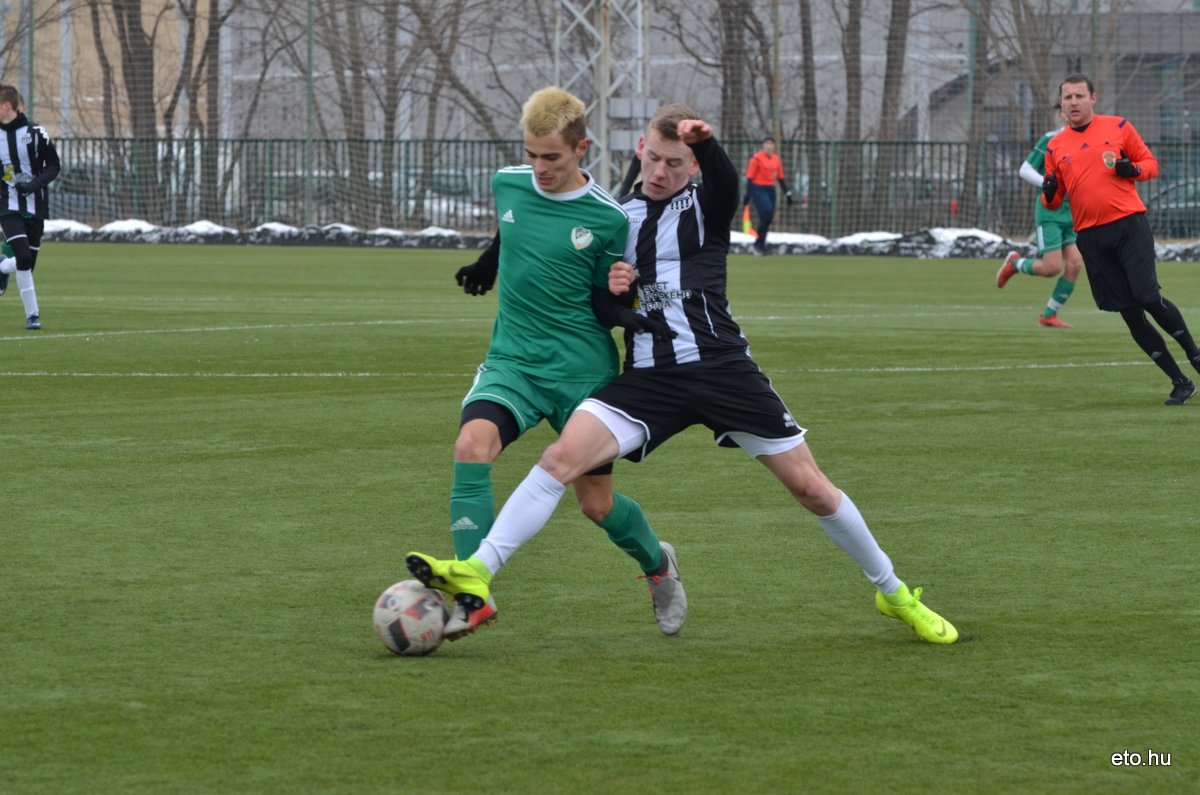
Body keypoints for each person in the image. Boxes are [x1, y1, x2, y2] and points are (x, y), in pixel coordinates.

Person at [409, 104, 959, 645]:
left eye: (675, 163)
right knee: (559, 460)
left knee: (811, 489)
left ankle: (893, 593)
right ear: (639, 150)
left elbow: (726, 183)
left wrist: (707, 143)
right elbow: (597, 301)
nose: (659, 172)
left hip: (723, 368)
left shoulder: (705, 204)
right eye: (653, 158)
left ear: (691, 165)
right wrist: (617, 297)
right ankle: (477, 571)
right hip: (650, 378)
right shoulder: (616, 217)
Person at [432, 86, 682, 638]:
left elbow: (604, 297)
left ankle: (657, 563)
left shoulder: (608, 218)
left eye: (552, 157)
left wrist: (629, 308)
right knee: (471, 447)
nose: (539, 168)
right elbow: (512, 225)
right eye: (531, 155)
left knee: (596, 505)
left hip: (582, 373)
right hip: (514, 363)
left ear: (580, 149)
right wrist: (488, 262)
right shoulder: (508, 183)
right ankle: (473, 593)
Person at [1043, 74, 1200, 405]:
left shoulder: (1118, 126)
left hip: (1129, 226)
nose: (1073, 102)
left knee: (1147, 297)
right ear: (1061, 104)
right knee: (1130, 312)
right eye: (1067, 97)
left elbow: (1151, 165)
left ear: (1093, 98)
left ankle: (1195, 355)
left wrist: (1134, 170)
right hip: (1090, 237)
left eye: (1079, 96)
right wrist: (1049, 192)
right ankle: (1180, 382)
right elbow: (1053, 201)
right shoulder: (1055, 146)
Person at [995, 109, 1082, 328]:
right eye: (1067, 105)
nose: (1073, 108)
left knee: (1074, 264)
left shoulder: (1088, 141)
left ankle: (1049, 315)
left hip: (1073, 212)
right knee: (1052, 268)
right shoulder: (1051, 139)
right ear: (1061, 115)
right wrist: (1046, 183)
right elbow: (1024, 169)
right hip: (1050, 212)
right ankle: (1016, 263)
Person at [0, 85, 58, 330]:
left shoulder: (36, 133)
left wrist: (34, 184)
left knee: (27, 264)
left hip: (35, 206)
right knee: (22, 256)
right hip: (7, 205)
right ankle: (33, 315)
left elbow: (54, 166)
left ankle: (3, 265)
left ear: (7, 106)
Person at [742, 135, 792, 255]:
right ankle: (758, 244)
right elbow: (750, 178)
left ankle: (759, 245)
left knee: (768, 218)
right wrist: (748, 195)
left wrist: (787, 193)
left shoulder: (776, 159)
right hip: (758, 188)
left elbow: (780, 178)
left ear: (774, 146)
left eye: (771, 144)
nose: (769, 146)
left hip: (770, 189)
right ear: (763, 146)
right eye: (767, 144)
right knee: (767, 211)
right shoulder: (756, 159)